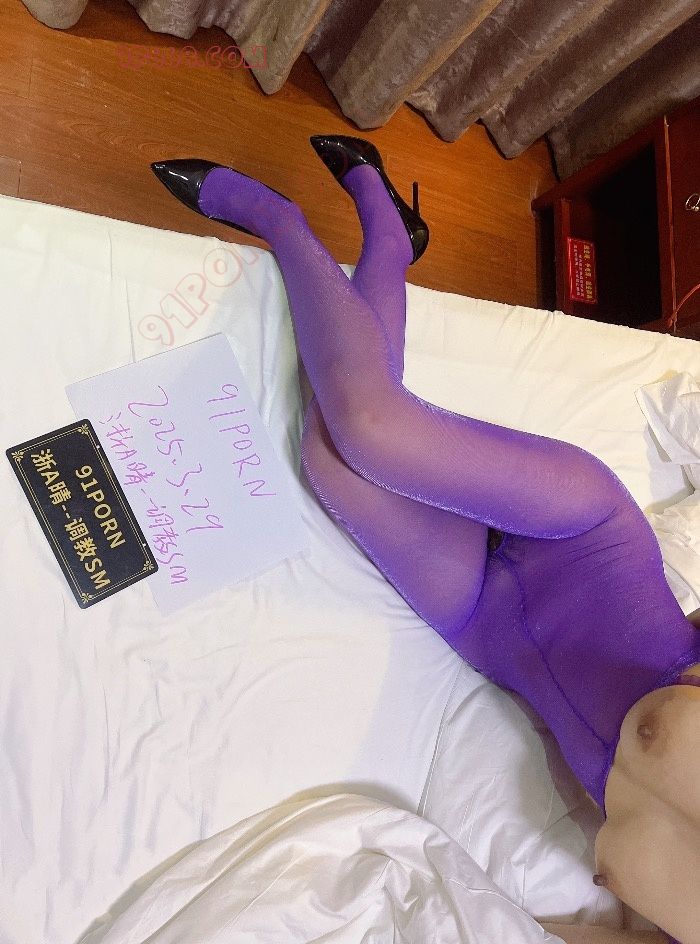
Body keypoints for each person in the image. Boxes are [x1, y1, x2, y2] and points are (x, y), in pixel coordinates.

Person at [152, 138, 700, 944]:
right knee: (369, 425)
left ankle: (391, 240)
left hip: (486, 624)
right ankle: (276, 216)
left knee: (329, 457)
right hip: (584, 542)